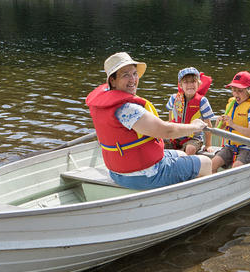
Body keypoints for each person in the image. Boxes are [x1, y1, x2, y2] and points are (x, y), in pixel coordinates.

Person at [86, 52, 212, 190]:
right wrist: (194, 127)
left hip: (118, 173)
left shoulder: (105, 105)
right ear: (112, 80)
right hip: (146, 174)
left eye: (134, 73)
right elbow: (166, 131)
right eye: (125, 75)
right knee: (206, 163)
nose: (133, 79)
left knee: (182, 154)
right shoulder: (128, 109)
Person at [211, 71, 250, 172]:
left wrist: (233, 124)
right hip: (230, 146)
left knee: (236, 167)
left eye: (240, 91)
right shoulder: (231, 105)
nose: (236, 94)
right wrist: (219, 123)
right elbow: (220, 129)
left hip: (247, 148)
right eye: (234, 90)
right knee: (212, 164)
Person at [165, 67, 217, 155]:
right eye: (186, 82)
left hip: (194, 139)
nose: (190, 85)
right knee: (158, 142)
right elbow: (170, 119)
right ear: (180, 85)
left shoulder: (202, 101)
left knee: (190, 149)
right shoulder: (173, 98)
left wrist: (208, 145)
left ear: (198, 84)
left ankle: (184, 164)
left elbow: (208, 125)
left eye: (193, 81)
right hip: (175, 136)